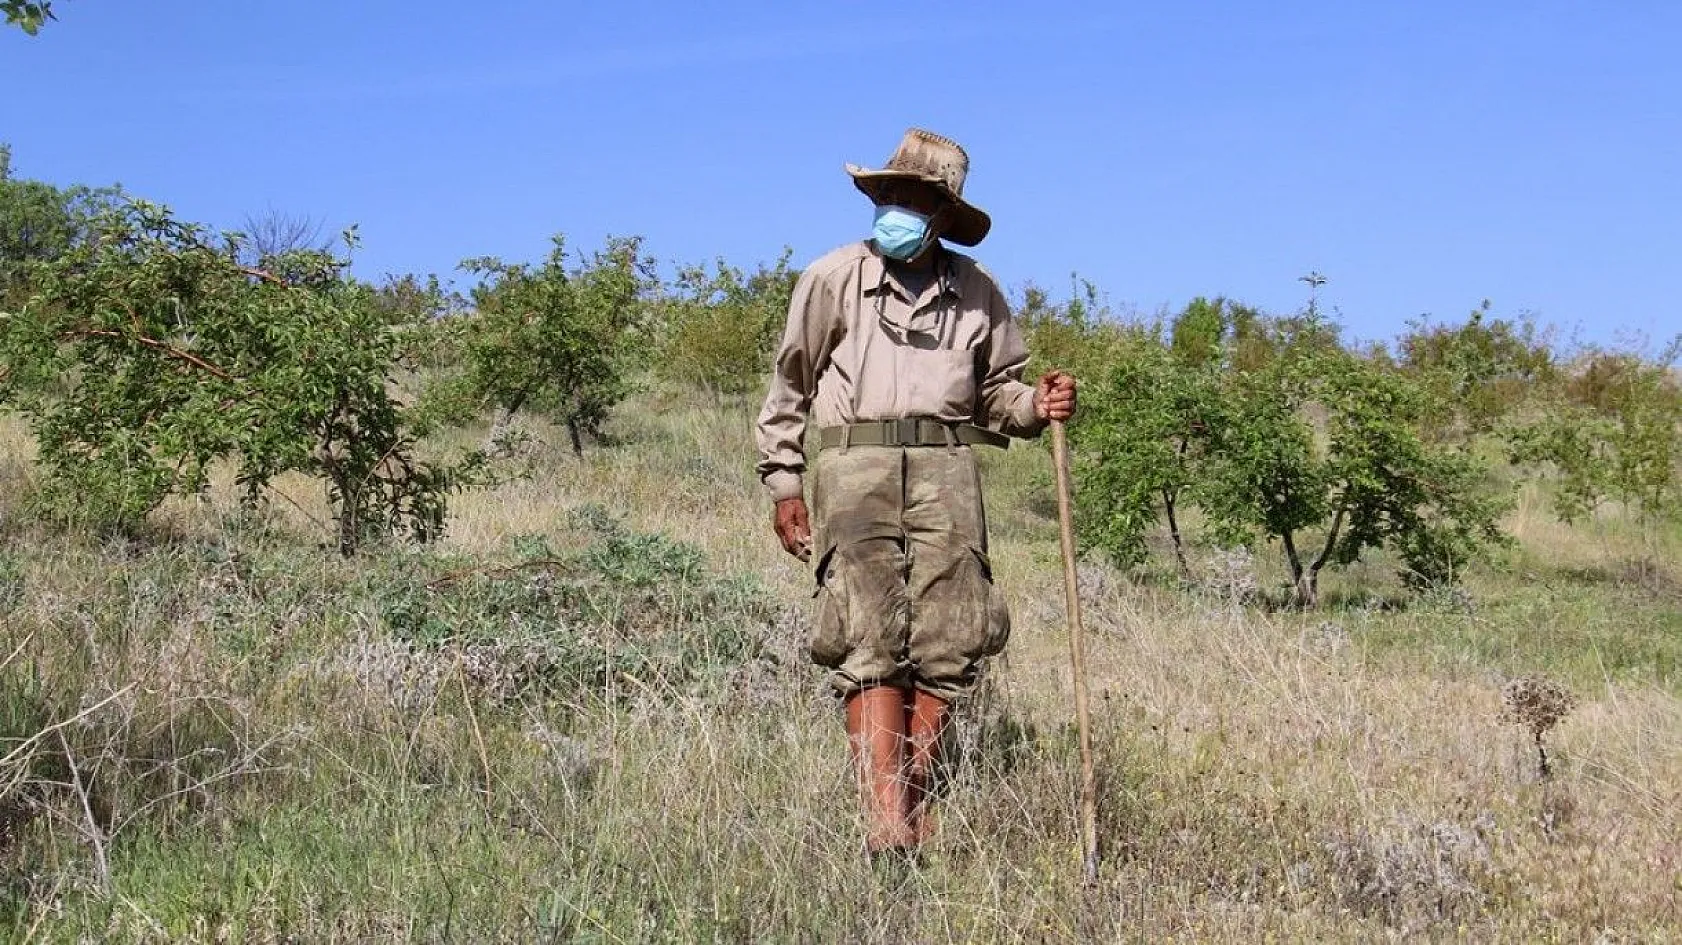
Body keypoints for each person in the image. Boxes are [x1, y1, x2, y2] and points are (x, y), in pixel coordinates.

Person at [755, 128, 1077, 859]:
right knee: (865, 632)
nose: (897, 206)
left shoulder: (979, 290)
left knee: (953, 636)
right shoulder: (832, 277)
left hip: (947, 470)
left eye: (914, 197)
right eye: (891, 193)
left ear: (942, 214)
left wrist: (1039, 404)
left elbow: (999, 394)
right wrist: (784, 482)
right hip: (853, 466)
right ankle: (886, 817)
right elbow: (790, 385)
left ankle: (912, 792)